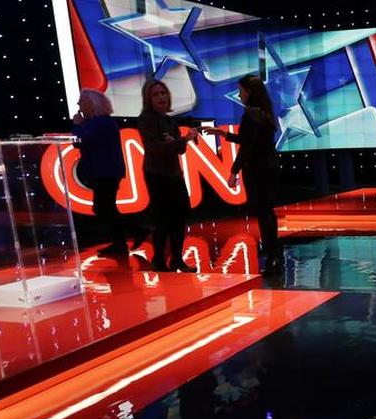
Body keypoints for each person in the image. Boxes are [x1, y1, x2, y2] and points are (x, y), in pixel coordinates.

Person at [203, 75, 282, 275]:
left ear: (249, 91)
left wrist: (233, 171)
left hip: (257, 170)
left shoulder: (252, 113)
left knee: (264, 213)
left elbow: (248, 147)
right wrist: (223, 134)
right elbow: (248, 140)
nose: (239, 94)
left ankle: (272, 257)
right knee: (268, 212)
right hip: (269, 167)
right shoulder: (263, 112)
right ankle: (275, 254)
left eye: (241, 90)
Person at [138, 79, 198, 272]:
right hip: (157, 174)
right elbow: (156, 148)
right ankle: (158, 260)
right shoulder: (146, 119)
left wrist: (178, 142)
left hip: (173, 173)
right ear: (149, 99)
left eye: (163, 93)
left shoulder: (170, 120)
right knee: (163, 218)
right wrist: (180, 140)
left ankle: (177, 259)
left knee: (179, 216)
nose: (161, 97)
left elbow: (179, 150)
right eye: (156, 94)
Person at [72, 89, 138, 255]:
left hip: (105, 171)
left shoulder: (100, 123)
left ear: (92, 104)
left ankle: (133, 233)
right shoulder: (101, 122)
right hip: (105, 171)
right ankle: (123, 240)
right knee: (105, 207)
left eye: (81, 101)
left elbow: (79, 141)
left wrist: (77, 125)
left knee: (103, 208)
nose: (78, 105)